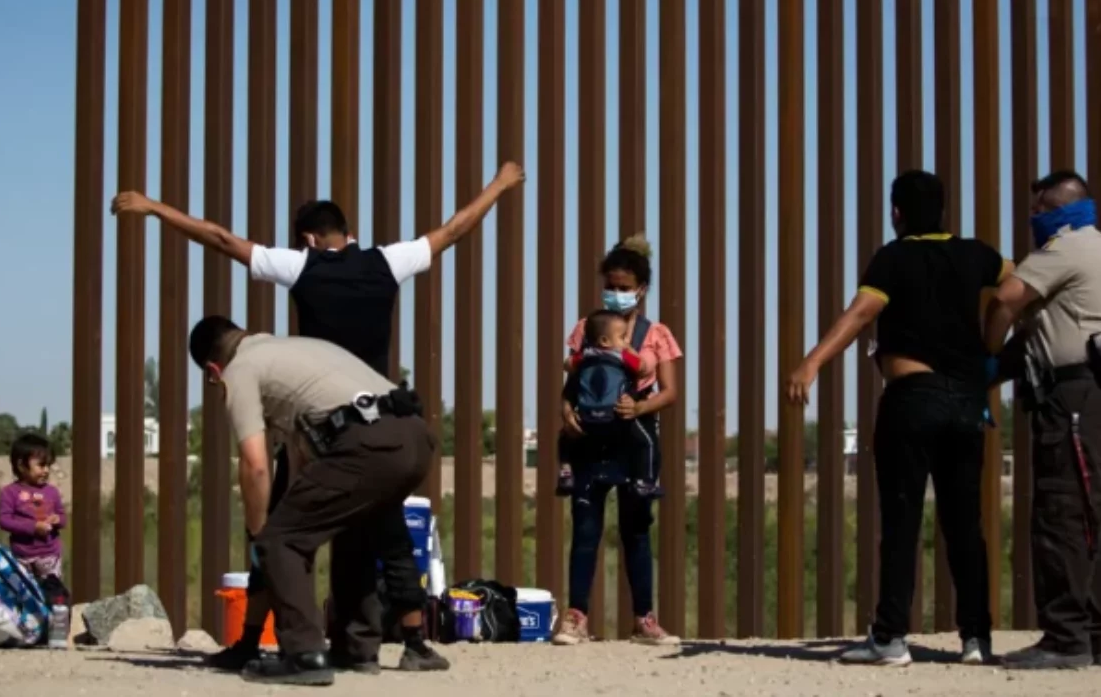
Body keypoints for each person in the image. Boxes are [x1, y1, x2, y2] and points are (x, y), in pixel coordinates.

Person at [111, 161, 523, 672]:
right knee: (385, 530)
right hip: (386, 415)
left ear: (307, 238)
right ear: (349, 235)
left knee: (278, 531)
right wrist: (501, 185)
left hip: (316, 425)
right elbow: (454, 229)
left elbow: (221, 239)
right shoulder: (387, 262)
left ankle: (263, 644)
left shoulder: (302, 267)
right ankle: (402, 644)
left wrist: (154, 209)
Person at [786, 170, 1010, 667]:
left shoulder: (894, 257)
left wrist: (813, 361)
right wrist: (997, 348)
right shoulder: (979, 254)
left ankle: (890, 638)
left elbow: (861, 313)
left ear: (897, 212)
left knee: (903, 518)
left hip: (913, 398)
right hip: (967, 402)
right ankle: (977, 639)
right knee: (964, 523)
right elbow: (1019, 288)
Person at [188, 315, 436, 686]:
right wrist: (286, 524)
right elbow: (305, 474)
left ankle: (304, 654)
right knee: (351, 523)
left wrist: (265, 538)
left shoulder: (240, 370)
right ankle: (355, 649)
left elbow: (256, 467)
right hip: (414, 436)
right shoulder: (292, 351)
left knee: (279, 540)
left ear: (213, 370)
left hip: (367, 443)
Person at [984, 170, 1101, 670]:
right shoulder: (1092, 251)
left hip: (1080, 398)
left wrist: (984, 348)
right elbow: (1036, 336)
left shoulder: (1069, 245)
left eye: (1040, 209)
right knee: (1089, 518)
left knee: (1062, 514)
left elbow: (1006, 298)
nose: (1033, 219)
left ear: (1062, 207)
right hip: (1100, 395)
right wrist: (991, 372)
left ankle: (1065, 640)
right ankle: (1096, 638)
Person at [552, 235, 682, 646]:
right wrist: (565, 410)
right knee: (586, 528)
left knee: (636, 530)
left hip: (633, 441)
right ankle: (576, 618)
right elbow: (572, 381)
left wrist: (638, 410)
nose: (617, 294)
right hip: (589, 441)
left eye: (625, 288)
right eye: (611, 286)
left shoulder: (656, 333)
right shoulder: (585, 329)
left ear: (641, 290)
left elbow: (669, 391)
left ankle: (643, 619)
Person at [557, 309, 656, 497]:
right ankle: (645, 481)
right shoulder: (622, 355)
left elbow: (567, 364)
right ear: (605, 341)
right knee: (645, 442)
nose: (626, 341)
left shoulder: (585, 354)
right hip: (616, 415)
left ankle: (566, 472)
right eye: (622, 337)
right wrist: (629, 349)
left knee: (564, 438)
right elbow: (643, 369)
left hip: (585, 417)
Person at [0, 432, 66, 581]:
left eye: (48, 465)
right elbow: (4, 520)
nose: (46, 470)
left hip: (49, 557)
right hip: (22, 557)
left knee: (52, 596)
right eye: (41, 465)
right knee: (24, 596)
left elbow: (63, 518)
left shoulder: (52, 492)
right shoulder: (10, 492)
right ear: (21, 465)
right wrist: (33, 527)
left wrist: (57, 519)